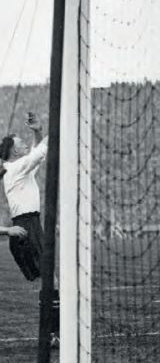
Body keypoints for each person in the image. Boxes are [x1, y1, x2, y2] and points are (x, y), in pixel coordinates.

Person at [0, 111, 59, 347]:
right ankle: (52, 334)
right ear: (13, 151)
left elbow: (35, 157)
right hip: (26, 228)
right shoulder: (15, 169)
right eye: (20, 142)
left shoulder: (17, 170)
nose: (24, 144)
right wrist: (57, 126)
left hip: (30, 226)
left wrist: (37, 131)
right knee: (52, 283)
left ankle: (52, 334)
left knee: (50, 283)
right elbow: (40, 152)